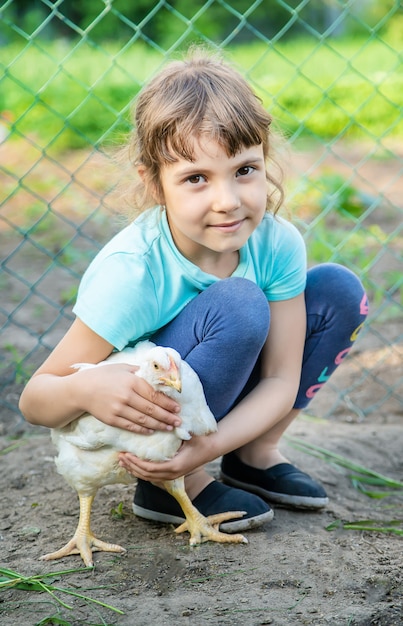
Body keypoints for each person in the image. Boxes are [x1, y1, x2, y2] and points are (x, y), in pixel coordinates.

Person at [19, 48, 368, 533]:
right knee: (238, 303)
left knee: (337, 291)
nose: (227, 201)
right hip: (154, 419)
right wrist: (86, 386)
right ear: (155, 185)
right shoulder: (134, 272)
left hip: (214, 410)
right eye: (196, 178)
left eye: (244, 170)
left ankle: (253, 453)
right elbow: (36, 398)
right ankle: (173, 483)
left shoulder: (277, 242)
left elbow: (280, 380)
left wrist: (212, 441)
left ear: (265, 162)